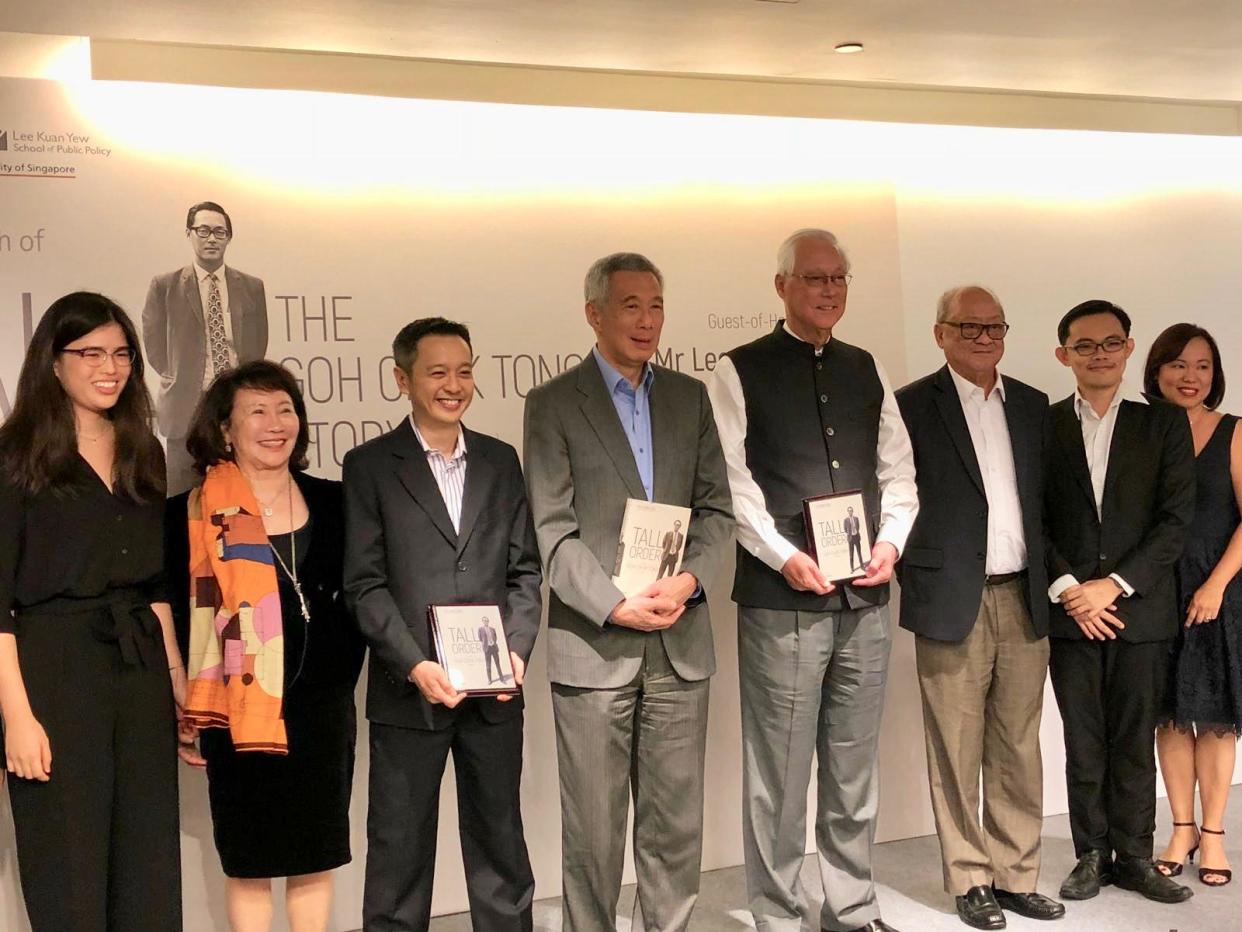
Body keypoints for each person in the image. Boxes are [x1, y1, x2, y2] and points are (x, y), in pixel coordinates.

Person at [707, 228, 917, 932]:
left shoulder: (867, 368)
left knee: (853, 769)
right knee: (780, 776)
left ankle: (851, 908)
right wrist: (781, 555)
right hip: (781, 601)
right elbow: (732, 487)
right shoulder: (737, 371)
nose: (828, 291)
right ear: (782, 286)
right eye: (814, 278)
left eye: (838, 279)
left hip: (865, 598)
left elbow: (898, 472)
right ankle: (777, 916)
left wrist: (890, 544)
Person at [523, 252, 733, 932]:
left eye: (657, 306)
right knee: (593, 830)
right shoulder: (553, 404)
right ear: (595, 314)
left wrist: (689, 580)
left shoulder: (689, 397)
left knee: (674, 826)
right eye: (631, 306)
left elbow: (717, 512)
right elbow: (551, 530)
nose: (648, 321)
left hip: (678, 639)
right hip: (595, 642)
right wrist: (615, 602)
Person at [344, 317, 542, 932]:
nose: (453, 385)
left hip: (494, 693)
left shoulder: (500, 460)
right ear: (402, 378)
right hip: (411, 694)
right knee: (398, 858)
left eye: (464, 371)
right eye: (437, 372)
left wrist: (516, 650)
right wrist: (416, 664)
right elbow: (364, 583)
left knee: (501, 847)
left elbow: (525, 571)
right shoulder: (371, 465)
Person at [0, 292, 182, 931]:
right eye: (90, 353)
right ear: (53, 361)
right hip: (53, 671)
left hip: (139, 671)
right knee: (67, 866)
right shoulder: (14, 456)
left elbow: (157, 586)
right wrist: (16, 719)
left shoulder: (144, 450)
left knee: (148, 862)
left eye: (122, 354)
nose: (110, 367)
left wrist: (181, 692)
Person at [167, 360, 365, 932]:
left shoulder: (337, 502)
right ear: (226, 429)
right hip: (237, 710)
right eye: (257, 411)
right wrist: (180, 688)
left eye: (286, 409)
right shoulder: (195, 511)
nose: (276, 423)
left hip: (324, 710)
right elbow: (173, 608)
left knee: (316, 856)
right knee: (249, 861)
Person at [895, 285, 1063, 929]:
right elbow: (894, 498)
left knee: (1019, 745)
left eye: (994, 326)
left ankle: (1017, 875)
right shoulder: (911, 406)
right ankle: (970, 878)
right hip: (949, 601)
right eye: (969, 328)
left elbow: (1046, 501)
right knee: (956, 748)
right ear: (940, 334)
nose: (984, 338)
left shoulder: (1031, 404)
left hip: (1023, 595)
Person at [1044, 299, 1196, 905]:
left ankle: (1134, 856)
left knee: (1133, 739)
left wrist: (1116, 584)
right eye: (1085, 345)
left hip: (1140, 611)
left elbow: (1175, 520)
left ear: (1130, 348)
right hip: (1069, 611)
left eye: (1111, 342)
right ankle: (1090, 854)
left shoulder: (1162, 424)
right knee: (1083, 739)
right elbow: (1033, 518)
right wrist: (1071, 590)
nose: (1099, 354)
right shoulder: (1044, 424)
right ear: (1065, 356)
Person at [1145, 324, 1242, 888]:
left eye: (1202, 365)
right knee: (1171, 716)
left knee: (1216, 719)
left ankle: (1213, 834)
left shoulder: (1233, 432)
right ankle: (1179, 829)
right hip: (1159, 592)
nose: (1190, 376)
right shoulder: (1143, 432)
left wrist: (1215, 586)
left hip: (1217, 594)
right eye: (1179, 365)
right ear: (1157, 371)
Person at [143, 200, 268, 495]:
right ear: (190, 233)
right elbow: (155, 349)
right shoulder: (165, 286)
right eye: (203, 230)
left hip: (236, 407)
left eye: (219, 232)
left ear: (229, 237)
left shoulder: (252, 287)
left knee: (241, 502)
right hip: (184, 409)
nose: (211, 238)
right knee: (182, 503)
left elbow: (256, 346)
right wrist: (182, 376)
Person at [479, 615, 503, 684]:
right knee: (488, 665)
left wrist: (493, 643)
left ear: (488, 621)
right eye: (484, 621)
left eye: (486, 620)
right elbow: (480, 638)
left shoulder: (492, 629)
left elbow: (495, 637)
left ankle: (501, 677)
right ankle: (489, 680)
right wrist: (486, 643)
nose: (485, 622)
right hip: (487, 648)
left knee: (497, 663)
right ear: (483, 621)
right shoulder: (480, 629)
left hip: (494, 647)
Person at [844, 506, 864, 572]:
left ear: (852, 511)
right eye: (849, 510)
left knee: (859, 552)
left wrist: (855, 532)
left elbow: (858, 526)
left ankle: (862, 566)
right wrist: (850, 533)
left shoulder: (856, 518)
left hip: (856, 537)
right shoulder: (846, 520)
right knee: (851, 553)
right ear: (848, 512)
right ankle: (852, 568)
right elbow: (845, 529)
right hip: (851, 538)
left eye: (851, 510)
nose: (850, 512)